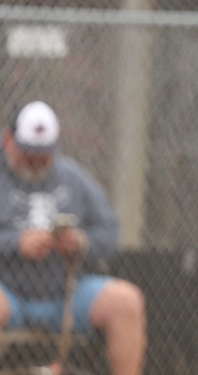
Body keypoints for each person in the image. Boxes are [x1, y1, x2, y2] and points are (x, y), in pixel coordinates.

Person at [0, 101, 147, 375]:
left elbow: (110, 232)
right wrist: (15, 243)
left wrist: (80, 242)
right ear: (8, 140)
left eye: (44, 155)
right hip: (9, 292)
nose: (36, 162)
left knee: (126, 301)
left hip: (66, 294)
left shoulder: (74, 179)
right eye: (29, 154)